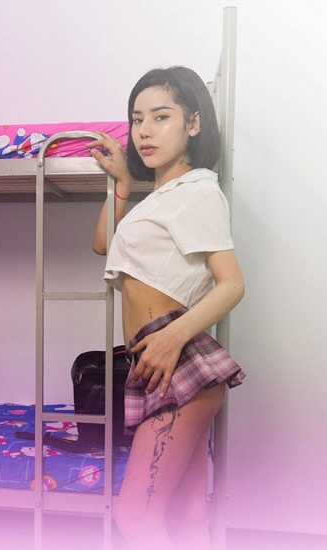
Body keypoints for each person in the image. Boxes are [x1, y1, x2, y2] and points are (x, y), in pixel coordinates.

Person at [87, 66, 248, 550]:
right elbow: (103, 244)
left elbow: (232, 284)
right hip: (159, 359)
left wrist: (172, 338)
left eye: (161, 117)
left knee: (136, 518)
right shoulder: (164, 198)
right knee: (186, 520)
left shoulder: (198, 192)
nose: (145, 131)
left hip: (174, 355)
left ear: (193, 124)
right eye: (138, 119)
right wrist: (122, 183)